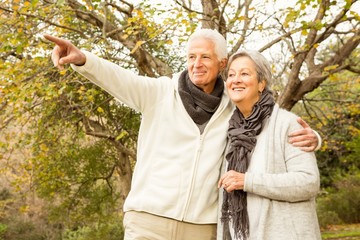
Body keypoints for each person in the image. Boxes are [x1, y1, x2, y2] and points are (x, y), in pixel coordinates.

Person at [44, 29, 320, 240]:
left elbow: (266, 128)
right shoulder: (160, 93)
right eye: (191, 56)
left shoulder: (231, 108)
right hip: (148, 220)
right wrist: (84, 60)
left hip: (202, 227)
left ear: (221, 63)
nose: (197, 63)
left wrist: (313, 138)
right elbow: (120, 79)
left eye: (205, 57)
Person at [217, 50, 321, 240]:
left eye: (245, 74)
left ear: (261, 84)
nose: (236, 79)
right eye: (231, 75)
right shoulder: (230, 131)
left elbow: (308, 182)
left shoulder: (286, 124)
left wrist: (247, 181)